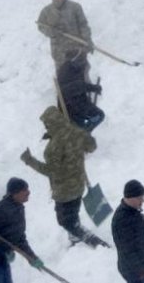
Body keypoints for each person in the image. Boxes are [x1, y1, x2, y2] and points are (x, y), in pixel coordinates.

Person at [20, 106, 107, 247]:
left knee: (65, 221)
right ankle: (75, 240)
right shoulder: (77, 132)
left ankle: (96, 243)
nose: (46, 127)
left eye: (46, 125)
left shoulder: (53, 147)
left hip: (64, 190)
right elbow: (92, 146)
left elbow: (50, 171)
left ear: (51, 124)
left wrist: (29, 160)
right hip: (79, 184)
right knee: (73, 214)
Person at [0, 178, 42, 280]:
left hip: (0, 259)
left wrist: (32, 257)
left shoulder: (18, 208)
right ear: (15, 193)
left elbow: (19, 237)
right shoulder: (2, 210)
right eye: (24, 190)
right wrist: (0, 250)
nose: (28, 192)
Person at [36, 0, 91, 68]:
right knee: (63, 78)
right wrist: (52, 32)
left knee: (82, 75)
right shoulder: (46, 11)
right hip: (59, 53)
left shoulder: (75, 7)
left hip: (77, 50)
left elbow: (83, 25)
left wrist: (87, 40)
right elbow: (41, 26)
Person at [111, 179, 144, 283]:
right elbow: (127, 250)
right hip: (133, 271)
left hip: (139, 268)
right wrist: (141, 273)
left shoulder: (133, 212)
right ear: (130, 198)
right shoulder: (122, 220)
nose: (143, 201)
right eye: (140, 198)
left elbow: (141, 240)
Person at [56, 53, 105, 131]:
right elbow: (75, 86)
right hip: (72, 107)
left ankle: (84, 131)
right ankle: (84, 131)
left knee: (94, 117)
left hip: (72, 105)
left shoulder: (67, 69)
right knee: (99, 115)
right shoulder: (71, 69)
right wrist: (93, 88)